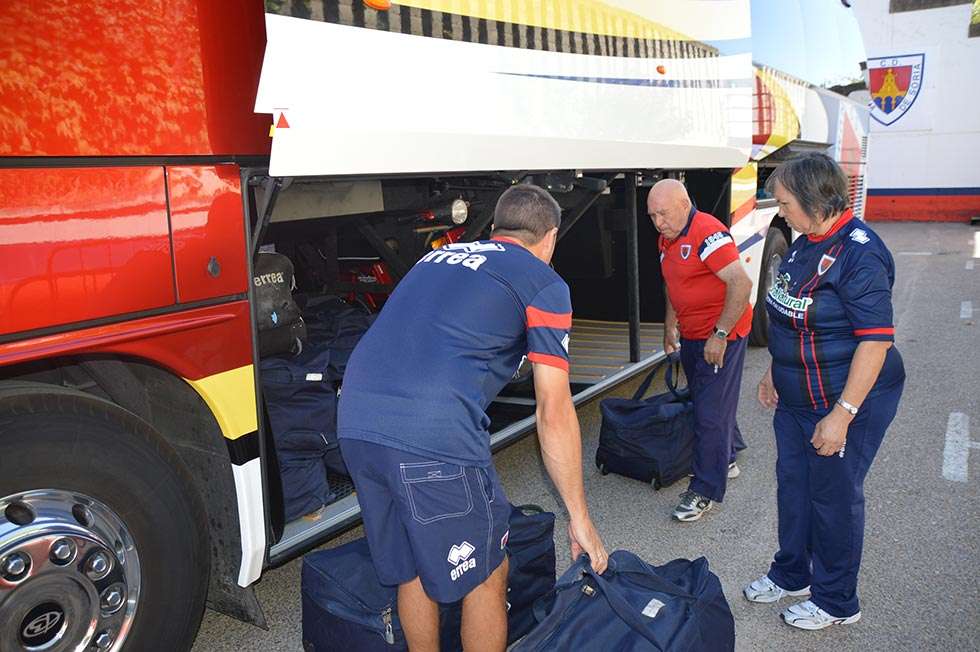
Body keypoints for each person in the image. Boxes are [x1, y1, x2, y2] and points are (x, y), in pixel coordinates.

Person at [337, 184, 608, 652]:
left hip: (356, 419)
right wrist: (579, 517)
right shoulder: (543, 283)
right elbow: (554, 408)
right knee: (486, 572)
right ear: (550, 239)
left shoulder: (436, 257)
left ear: (497, 228)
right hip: (431, 435)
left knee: (413, 568)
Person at [743, 153, 905, 630]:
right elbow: (790, 313)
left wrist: (843, 414)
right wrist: (776, 367)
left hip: (844, 399)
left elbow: (876, 341)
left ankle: (837, 601)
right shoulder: (803, 242)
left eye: (787, 202)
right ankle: (793, 573)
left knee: (833, 497)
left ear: (818, 200)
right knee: (794, 487)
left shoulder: (860, 252)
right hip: (796, 398)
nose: (780, 211)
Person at [648, 179, 754, 522]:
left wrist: (720, 334)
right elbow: (672, 282)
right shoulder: (667, 238)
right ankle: (728, 453)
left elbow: (741, 282)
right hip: (692, 333)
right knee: (707, 398)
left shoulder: (708, 233)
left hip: (721, 333)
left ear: (684, 203)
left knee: (709, 412)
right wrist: (670, 322)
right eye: (652, 216)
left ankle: (706, 490)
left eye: (663, 213)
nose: (658, 222)